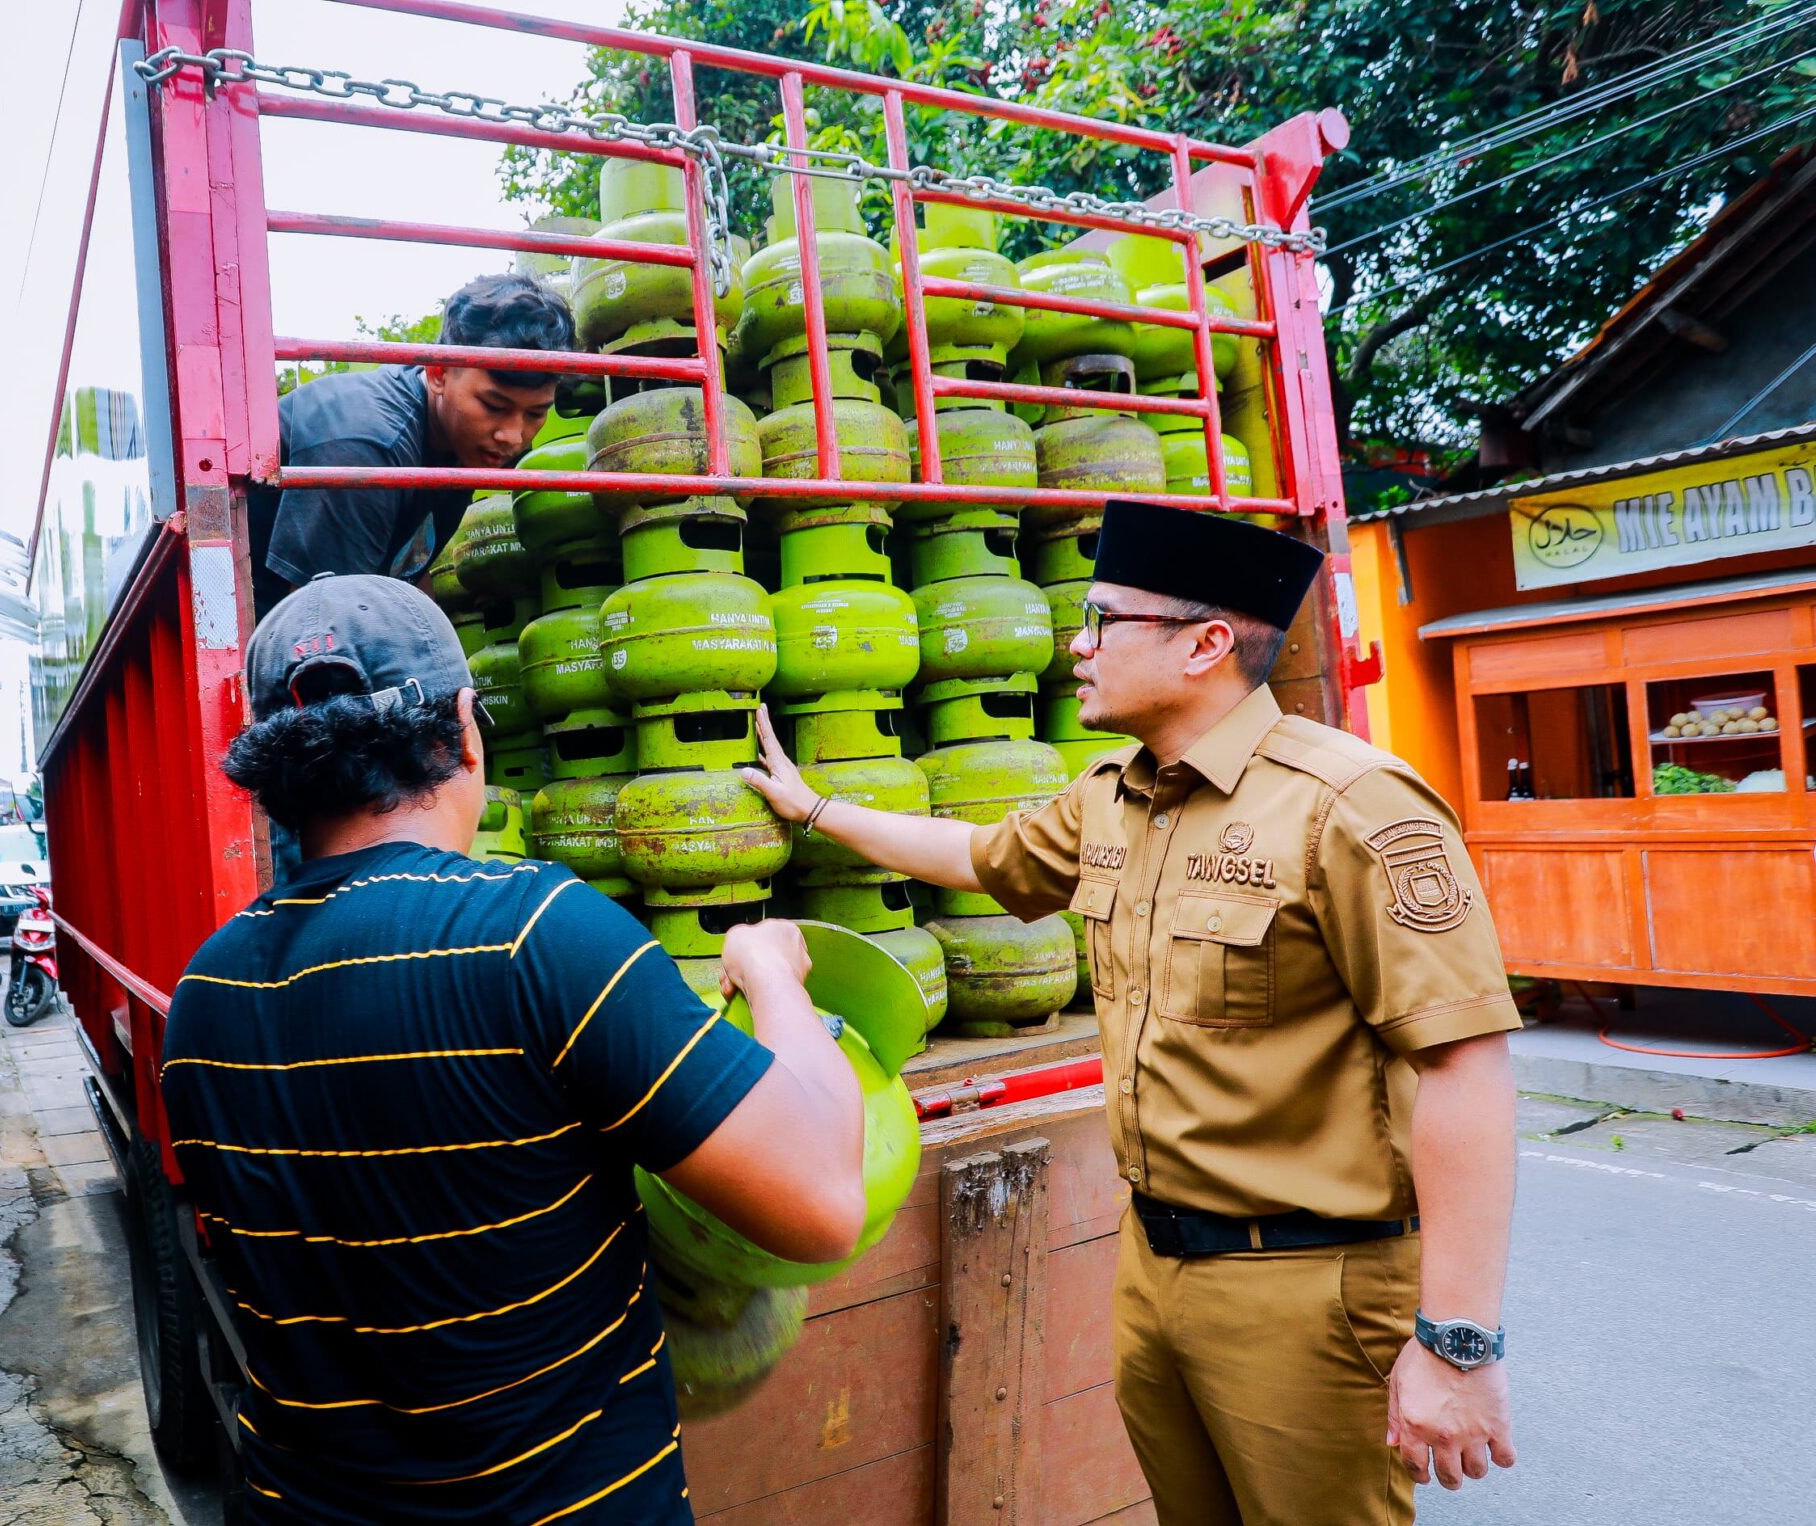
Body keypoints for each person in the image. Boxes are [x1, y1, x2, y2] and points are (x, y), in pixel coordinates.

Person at [742, 501, 1521, 1526]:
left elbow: (1465, 1067)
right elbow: (980, 856)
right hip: (1154, 1268)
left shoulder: (1350, 804)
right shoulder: (1114, 794)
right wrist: (815, 810)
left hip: (1308, 1285)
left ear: (1205, 644)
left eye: (1103, 619)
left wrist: (1457, 1342)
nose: (1077, 643)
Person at [160, 574, 867, 1522]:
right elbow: (822, 1205)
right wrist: (774, 974)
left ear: (276, 771)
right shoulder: (534, 936)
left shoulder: (203, 998)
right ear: (466, 729)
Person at [248, 273, 574, 616]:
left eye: (536, 413)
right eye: (494, 406)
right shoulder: (368, 449)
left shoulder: (461, 439)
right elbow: (322, 625)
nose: (513, 435)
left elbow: (409, 570)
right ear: (438, 373)